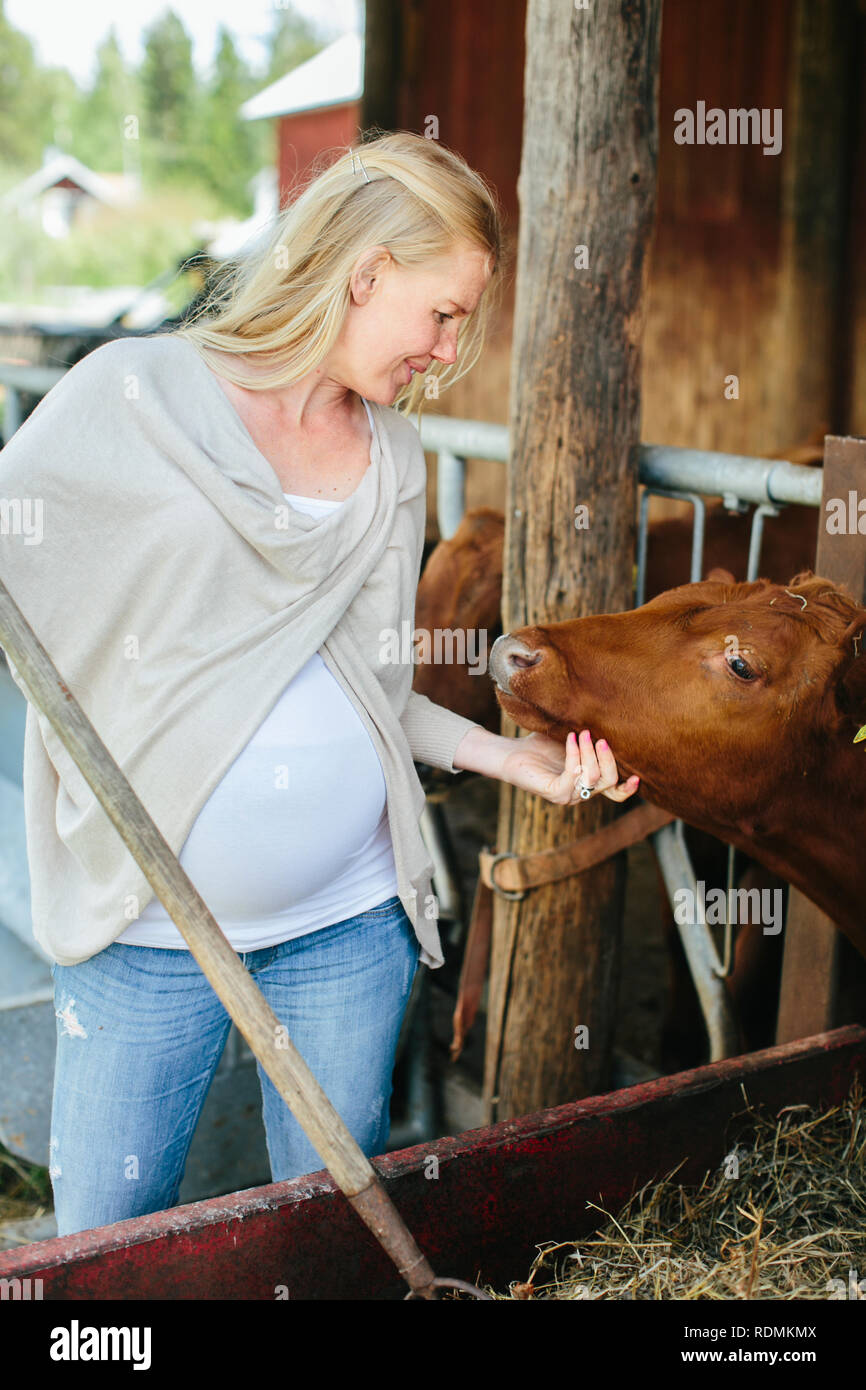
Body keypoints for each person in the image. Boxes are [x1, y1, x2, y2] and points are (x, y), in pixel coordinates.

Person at [0, 132, 638, 1237]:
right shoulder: (135, 395)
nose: (446, 353)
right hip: (150, 928)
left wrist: (507, 754)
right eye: (442, 313)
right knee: (105, 1239)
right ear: (364, 273)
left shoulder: (392, 459)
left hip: (346, 921)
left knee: (332, 1236)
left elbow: (372, 688)